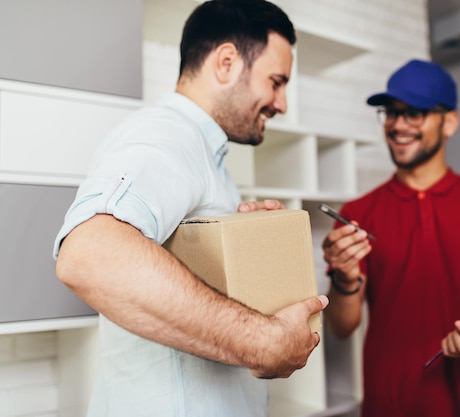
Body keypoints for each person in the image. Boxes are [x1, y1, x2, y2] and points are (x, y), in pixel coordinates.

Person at [53, 1, 328, 416]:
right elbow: (90, 255)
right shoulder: (167, 136)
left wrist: (243, 245)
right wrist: (262, 341)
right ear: (227, 62)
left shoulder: (203, 154)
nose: (282, 103)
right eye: (276, 81)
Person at [322, 59, 460, 417]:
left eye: (415, 113)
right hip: (391, 403)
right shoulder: (358, 212)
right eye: (391, 112)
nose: (397, 124)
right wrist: (345, 277)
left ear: (449, 122)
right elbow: (342, 327)